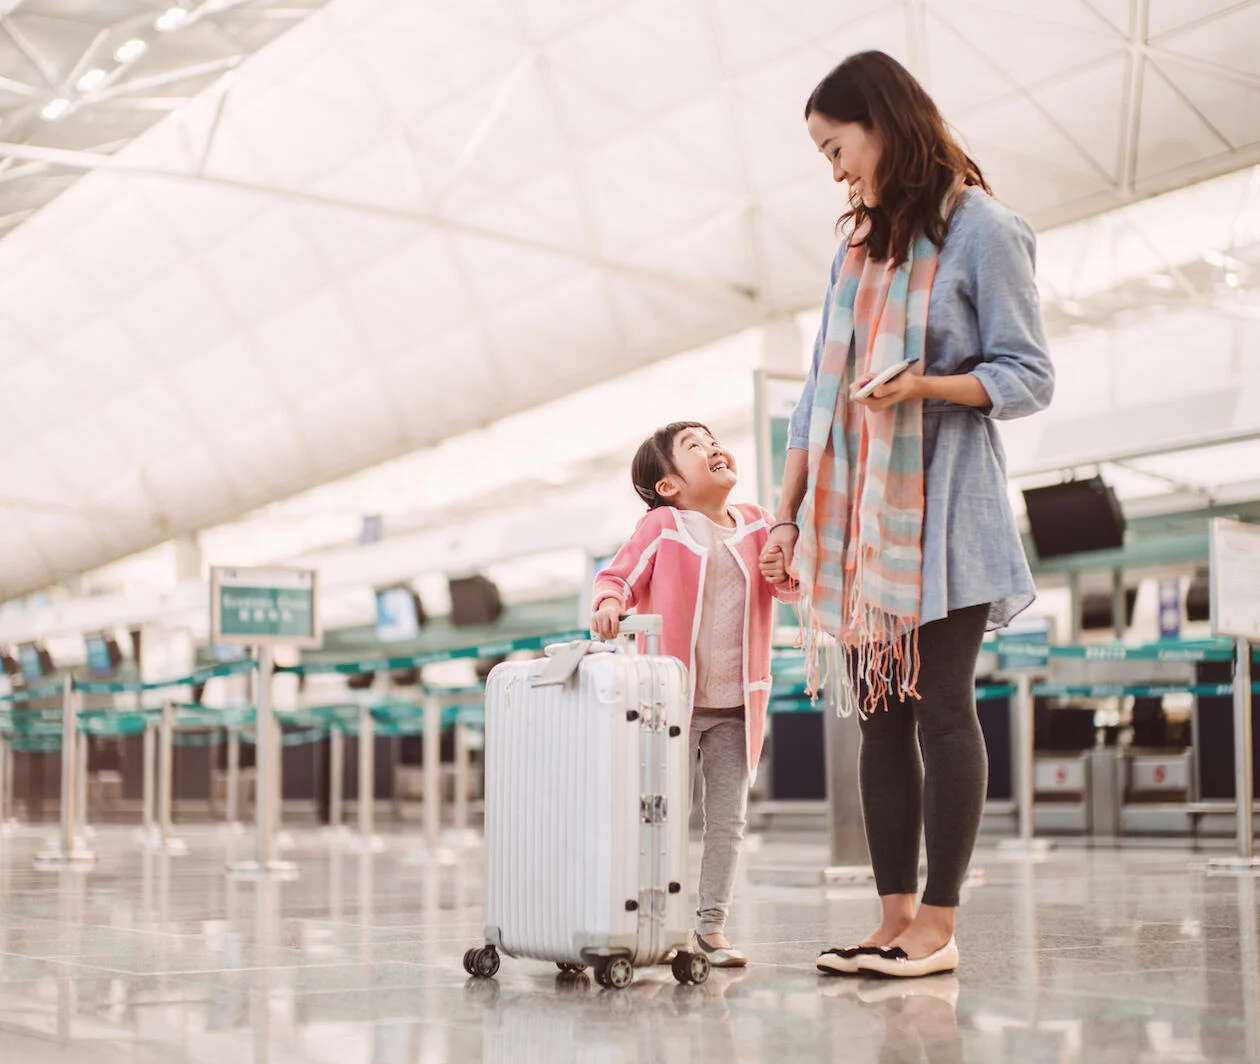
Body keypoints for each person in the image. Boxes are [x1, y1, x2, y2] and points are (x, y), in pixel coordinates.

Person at [759, 51, 1054, 979]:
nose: (835, 169)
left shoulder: (987, 231)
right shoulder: (856, 254)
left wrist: (925, 385)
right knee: (878, 715)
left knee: (939, 709)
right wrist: (786, 518)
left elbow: (1027, 375)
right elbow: (817, 395)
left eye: (837, 146)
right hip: (858, 525)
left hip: (948, 511)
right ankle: (891, 920)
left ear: (884, 124)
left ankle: (939, 922)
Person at [592, 422, 797, 968]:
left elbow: (787, 585)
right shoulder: (664, 526)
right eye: (694, 447)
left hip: (737, 706)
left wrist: (786, 569)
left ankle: (710, 930)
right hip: (670, 704)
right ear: (669, 486)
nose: (712, 449)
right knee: (660, 815)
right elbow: (618, 575)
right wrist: (611, 603)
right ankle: (646, 924)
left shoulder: (757, 522)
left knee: (727, 821)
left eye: (712, 440)